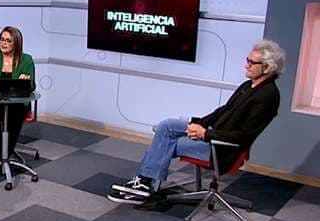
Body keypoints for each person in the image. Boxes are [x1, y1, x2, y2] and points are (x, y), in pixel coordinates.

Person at [107, 39, 285, 204]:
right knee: (166, 126)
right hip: (212, 133)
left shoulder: (267, 96)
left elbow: (244, 136)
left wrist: (205, 133)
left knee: (165, 143)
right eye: (247, 60)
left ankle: (143, 184)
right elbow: (223, 111)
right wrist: (199, 123)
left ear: (267, 67)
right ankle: (143, 184)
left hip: (221, 148)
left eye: (252, 62)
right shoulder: (249, 85)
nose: (246, 65)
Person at [0, 26, 36, 160]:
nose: (4, 43)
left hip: (16, 104)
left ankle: (7, 155)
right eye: (2, 39)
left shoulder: (26, 60)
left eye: (8, 41)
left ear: (16, 43)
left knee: (14, 120)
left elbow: (32, 85)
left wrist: (26, 81)